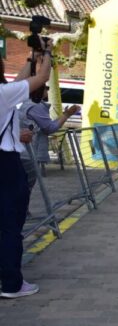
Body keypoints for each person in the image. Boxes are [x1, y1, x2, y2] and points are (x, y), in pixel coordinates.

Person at [0, 44, 53, 298]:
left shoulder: (5, 92)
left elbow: (20, 80)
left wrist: (33, 58)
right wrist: (48, 55)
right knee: (10, 224)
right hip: (6, 163)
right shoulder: (2, 94)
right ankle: (11, 283)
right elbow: (40, 79)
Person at [19, 85, 80, 190]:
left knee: (22, 186)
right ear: (38, 91)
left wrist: (65, 114)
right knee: (25, 187)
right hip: (29, 153)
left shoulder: (28, 104)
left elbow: (47, 125)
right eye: (46, 88)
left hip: (25, 152)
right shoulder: (36, 106)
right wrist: (67, 115)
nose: (48, 90)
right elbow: (50, 128)